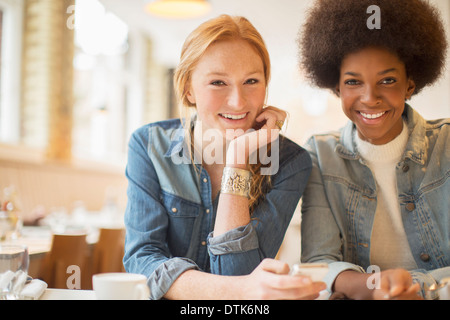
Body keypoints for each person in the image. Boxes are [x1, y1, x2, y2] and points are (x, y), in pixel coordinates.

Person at [123, 14, 325, 300]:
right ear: (188, 89)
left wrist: (238, 158)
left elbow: (236, 270)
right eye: (218, 82)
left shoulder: (291, 162)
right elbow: (142, 262)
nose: (238, 102)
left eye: (251, 81)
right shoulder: (148, 145)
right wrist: (243, 289)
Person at [299, 0, 449, 300]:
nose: (369, 98)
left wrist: (416, 290)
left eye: (388, 80)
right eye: (353, 82)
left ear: (409, 84)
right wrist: (374, 287)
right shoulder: (320, 154)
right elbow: (319, 264)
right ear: (337, 88)